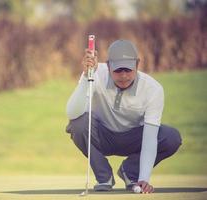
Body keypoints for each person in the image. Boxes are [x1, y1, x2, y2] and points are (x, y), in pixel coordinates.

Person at [65, 39, 182, 194]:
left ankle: (131, 172)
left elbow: (149, 138)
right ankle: (103, 176)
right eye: (118, 70)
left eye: (128, 70)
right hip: (102, 135)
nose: (124, 76)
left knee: (171, 137)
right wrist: (86, 77)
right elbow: (72, 113)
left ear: (137, 64)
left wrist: (144, 178)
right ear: (108, 66)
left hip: (134, 139)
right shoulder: (93, 72)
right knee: (77, 124)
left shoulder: (153, 89)